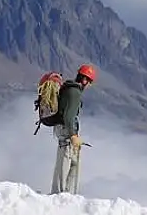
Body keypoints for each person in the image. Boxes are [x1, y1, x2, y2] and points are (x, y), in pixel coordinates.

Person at [50, 63, 97, 195]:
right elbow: (68, 116)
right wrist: (73, 135)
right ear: (85, 80)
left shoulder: (69, 88)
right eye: (90, 82)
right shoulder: (74, 92)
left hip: (62, 129)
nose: (89, 85)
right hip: (66, 131)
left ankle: (66, 193)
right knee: (65, 160)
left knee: (72, 161)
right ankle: (59, 194)